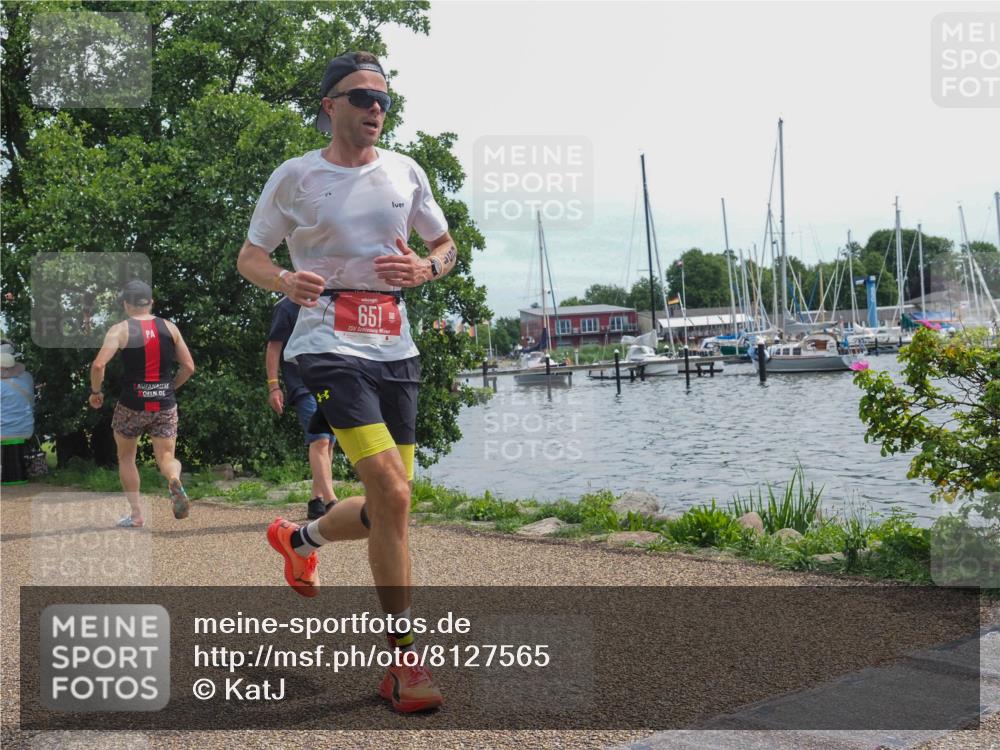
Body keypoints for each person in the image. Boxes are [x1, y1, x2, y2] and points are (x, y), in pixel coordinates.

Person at [237, 50, 458, 713]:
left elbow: (445, 246)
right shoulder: (297, 177)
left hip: (396, 345)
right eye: (362, 97)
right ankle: (404, 663)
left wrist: (430, 270)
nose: (376, 109)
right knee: (390, 490)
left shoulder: (406, 173)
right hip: (327, 341)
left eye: (385, 100)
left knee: (389, 505)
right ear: (329, 105)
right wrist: (283, 279)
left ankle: (297, 538)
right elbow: (251, 256)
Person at [88, 280, 196, 528]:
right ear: (151, 302)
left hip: (131, 405)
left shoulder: (120, 329)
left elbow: (98, 365)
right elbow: (189, 367)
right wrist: (169, 388)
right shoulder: (170, 327)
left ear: (126, 304)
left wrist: (96, 391)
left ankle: (136, 515)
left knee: (126, 458)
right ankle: (174, 478)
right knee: (167, 456)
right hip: (165, 404)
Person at [266, 296, 338, 519]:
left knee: (330, 442)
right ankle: (331, 502)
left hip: (330, 380)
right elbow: (274, 347)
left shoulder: (330, 301)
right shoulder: (286, 306)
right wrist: (273, 387)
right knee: (320, 439)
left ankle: (316, 500)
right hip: (302, 382)